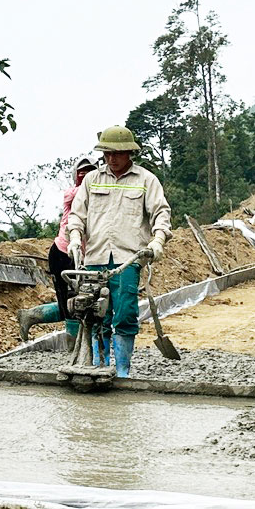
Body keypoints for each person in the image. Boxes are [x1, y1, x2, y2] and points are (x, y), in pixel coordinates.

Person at [66, 126, 171, 377]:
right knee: (94, 313)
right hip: (95, 257)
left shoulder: (146, 180)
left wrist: (157, 241)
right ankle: (98, 366)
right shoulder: (92, 181)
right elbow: (77, 214)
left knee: (124, 313)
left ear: (129, 153)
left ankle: (122, 369)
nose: (111, 159)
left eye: (117, 154)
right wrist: (74, 237)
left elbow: (161, 213)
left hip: (128, 258)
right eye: (107, 154)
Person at [17, 157, 98, 344]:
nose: (86, 176)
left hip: (88, 256)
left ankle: (31, 315)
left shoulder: (100, 196)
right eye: (82, 173)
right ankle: (73, 349)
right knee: (70, 305)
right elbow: (87, 192)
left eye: (91, 172)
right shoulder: (73, 193)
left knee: (86, 302)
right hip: (64, 254)